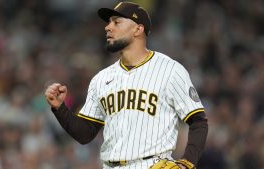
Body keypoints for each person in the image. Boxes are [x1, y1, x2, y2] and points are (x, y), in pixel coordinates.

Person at [45, 2, 208, 169]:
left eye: (116, 22)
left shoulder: (170, 70)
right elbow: (85, 134)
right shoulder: (101, 79)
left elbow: (198, 121)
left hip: (152, 164)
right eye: (108, 22)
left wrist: (186, 162)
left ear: (138, 29)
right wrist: (60, 108)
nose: (108, 27)